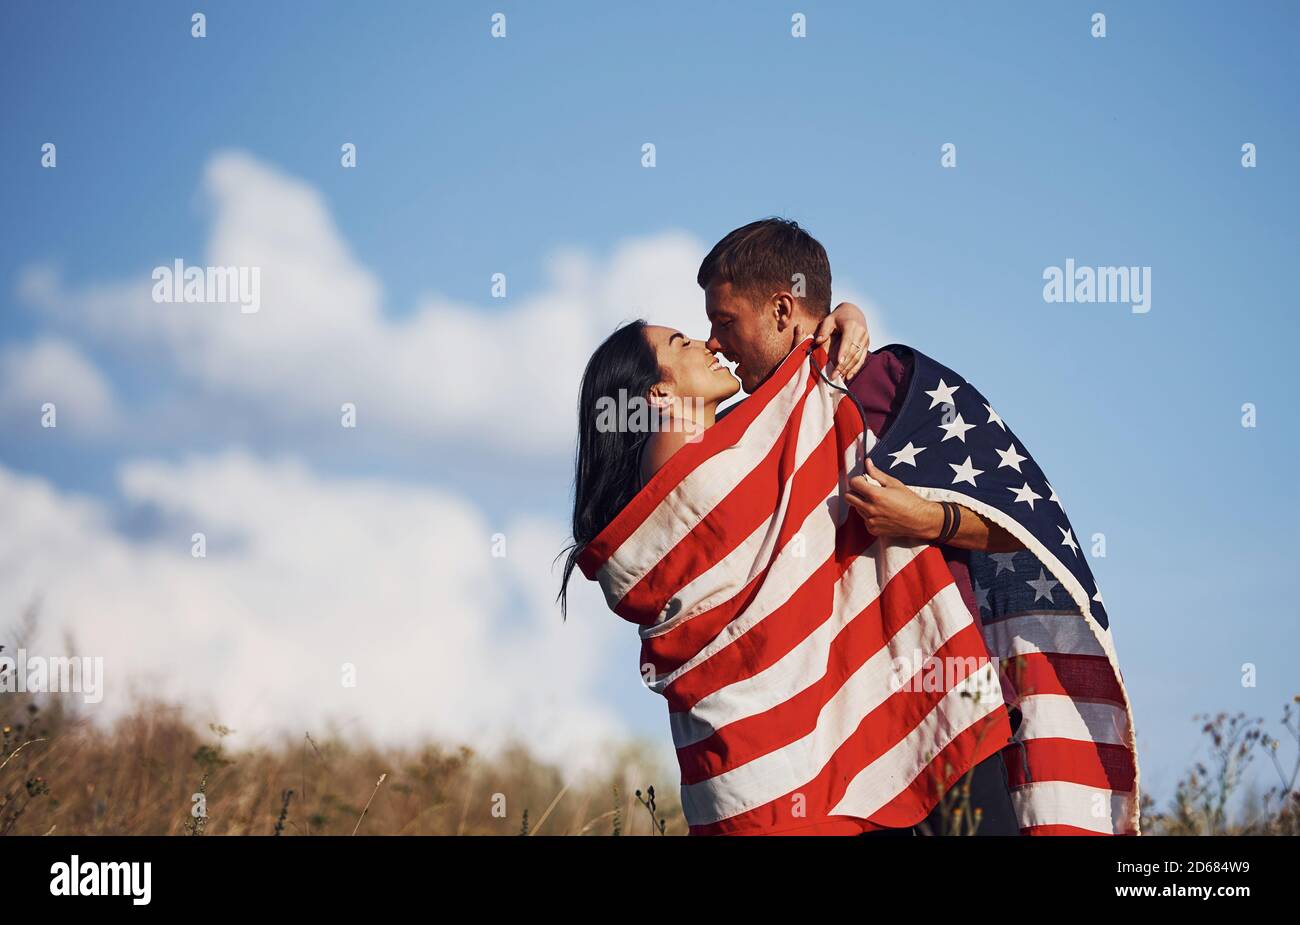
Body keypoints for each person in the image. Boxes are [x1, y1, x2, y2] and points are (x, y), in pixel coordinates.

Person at [696, 217, 1025, 835]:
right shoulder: (737, 440)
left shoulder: (892, 385)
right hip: (830, 727)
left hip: (949, 696)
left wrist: (926, 518)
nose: (713, 341)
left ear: (782, 309)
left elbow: (1018, 524)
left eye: (724, 321)